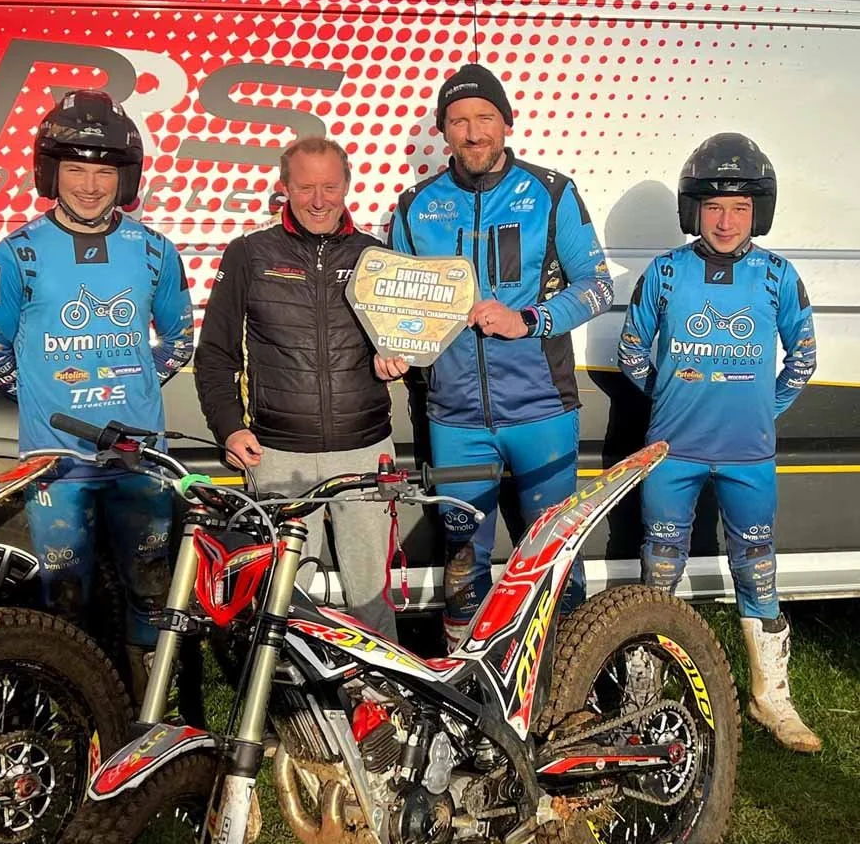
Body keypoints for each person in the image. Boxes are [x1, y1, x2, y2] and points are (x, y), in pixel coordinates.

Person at [0, 89, 194, 701]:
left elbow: (179, 340)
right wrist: (47, 398)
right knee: (65, 596)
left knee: (151, 584)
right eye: (76, 169)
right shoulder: (16, 254)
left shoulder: (152, 251)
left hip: (138, 461)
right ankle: (74, 708)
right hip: (56, 464)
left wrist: (128, 384)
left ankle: (152, 714)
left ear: (124, 177)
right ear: (50, 172)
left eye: (104, 171)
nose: (91, 185)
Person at [385, 63, 613, 649]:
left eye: (485, 117)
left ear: (507, 122)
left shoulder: (552, 191)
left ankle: (569, 690)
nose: (473, 131)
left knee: (556, 564)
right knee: (463, 566)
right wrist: (395, 347)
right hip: (455, 418)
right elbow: (399, 306)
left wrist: (528, 320)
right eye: (458, 121)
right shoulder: (415, 206)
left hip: (543, 412)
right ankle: (472, 705)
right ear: (443, 132)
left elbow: (598, 285)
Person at [617, 132, 820, 753]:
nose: (726, 220)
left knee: (757, 573)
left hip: (748, 457)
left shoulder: (778, 276)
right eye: (713, 207)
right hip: (671, 456)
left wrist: (760, 407)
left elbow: (804, 359)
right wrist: (676, 399)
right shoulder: (666, 272)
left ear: (759, 210)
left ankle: (772, 701)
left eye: (739, 207)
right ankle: (640, 703)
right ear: (692, 211)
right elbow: (631, 351)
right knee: (659, 574)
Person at [194, 136, 399, 640]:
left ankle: (381, 705)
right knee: (284, 599)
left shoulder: (375, 256)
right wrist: (228, 428)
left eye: (330, 186)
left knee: (371, 598)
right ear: (284, 188)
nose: (319, 199)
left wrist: (398, 363)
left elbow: (407, 344)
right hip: (279, 456)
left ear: (348, 186)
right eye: (305, 187)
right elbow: (215, 356)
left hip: (364, 452)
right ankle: (289, 705)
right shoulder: (248, 254)